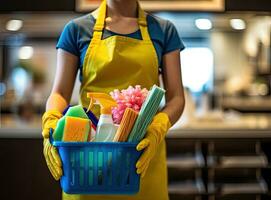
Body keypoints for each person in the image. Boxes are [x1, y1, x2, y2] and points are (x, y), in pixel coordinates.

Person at [42, 0, 185, 199]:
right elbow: (59, 94)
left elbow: (177, 98)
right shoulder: (76, 30)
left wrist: (157, 127)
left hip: (142, 154)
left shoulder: (163, 30)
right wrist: (51, 121)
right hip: (88, 160)